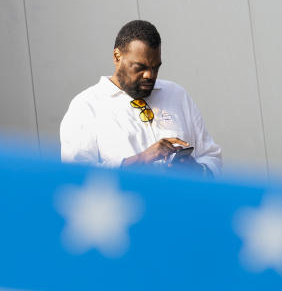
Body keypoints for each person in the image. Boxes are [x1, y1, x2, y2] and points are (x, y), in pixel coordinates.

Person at [59, 20, 221, 175]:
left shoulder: (177, 95)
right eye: (140, 67)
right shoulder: (87, 106)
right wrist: (142, 159)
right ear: (117, 56)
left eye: (155, 67)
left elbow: (212, 156)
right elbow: (76, 175)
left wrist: (198, 170)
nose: (150, 75)